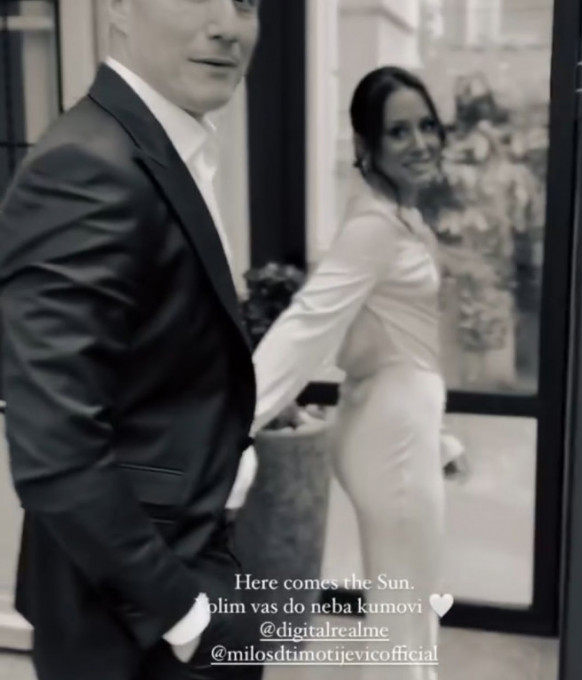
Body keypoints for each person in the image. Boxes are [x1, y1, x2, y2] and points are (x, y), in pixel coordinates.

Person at [0, 1, 263, 678]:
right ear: (117, 5)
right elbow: (54, 448)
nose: (227, 24)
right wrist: (186, 617)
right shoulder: (85, 167)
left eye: (246, 0)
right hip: (133, 622)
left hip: (189, 560)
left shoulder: (165, 145)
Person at [250, 66, 462, 680]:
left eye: (427, 125)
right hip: (392, 441)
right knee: (403, 623)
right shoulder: (374, 226)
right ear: (366, 145)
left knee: (409, 612)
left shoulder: (399, 216)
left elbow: (392, 339)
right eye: (399, 131)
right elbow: (307, 323)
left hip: (401, 430)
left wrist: (438, 437)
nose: (420, 142)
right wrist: (235, 417)